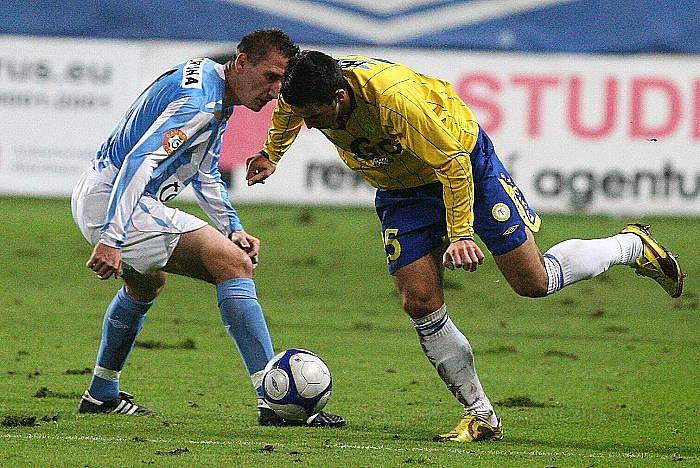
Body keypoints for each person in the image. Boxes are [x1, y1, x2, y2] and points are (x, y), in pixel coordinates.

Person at [245, 51, 684, 441]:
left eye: (316, 116)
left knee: (533, 282)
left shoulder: (398, 103)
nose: (312, 123)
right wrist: (271, 153)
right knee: (419, 301)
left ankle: (630, 245)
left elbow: (454, 166)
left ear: (339, 96)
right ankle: (480, 414)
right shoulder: (303, 94)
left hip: (465, 167)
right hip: (402, 192)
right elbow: (288, 114)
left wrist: (461, 236)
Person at [71, 31, 345, 427]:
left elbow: (203, 171)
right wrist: (112, 238)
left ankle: (101, 393)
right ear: (241, 60)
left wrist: (232, 227)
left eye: (281, 83)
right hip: (118, 201)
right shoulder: (201, 102)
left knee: (145, 285)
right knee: (233, 266)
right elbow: (140, 162)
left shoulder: (212, 89)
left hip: (97, 192)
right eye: (269, 77)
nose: (275, 91)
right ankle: (274, 400)